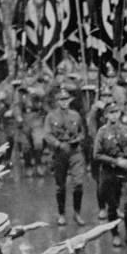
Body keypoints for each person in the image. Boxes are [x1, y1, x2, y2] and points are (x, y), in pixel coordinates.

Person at [43, 89, 86, 226]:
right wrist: (58, 144)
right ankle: (61, 214)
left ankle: (77, 213)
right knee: (60, 186)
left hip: (74, 151)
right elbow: (47, 135)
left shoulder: (75, 115)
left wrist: (76, 140)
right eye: (61, 100)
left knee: (78, 183)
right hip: (59, 152)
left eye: (67, 99)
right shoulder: (51, 116)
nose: (64, 102)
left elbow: (82, 133)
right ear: (57, 102)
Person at [93, 101, 127, 246]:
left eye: (116, 112)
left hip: (126, 172)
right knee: (112, 204)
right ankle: (115, 234)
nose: (114, 115)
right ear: (106, 115)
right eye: (111, 112)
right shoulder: (102, 132)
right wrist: (116, 161)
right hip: (110, 172)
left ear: (120, 113)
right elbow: (96, 154)